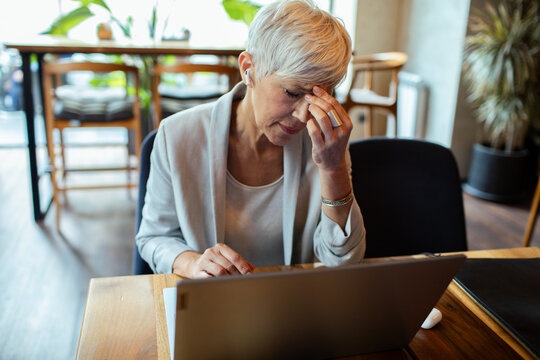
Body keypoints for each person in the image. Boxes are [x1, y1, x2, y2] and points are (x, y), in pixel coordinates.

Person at [136, 0, 366, 278]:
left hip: (292, 305)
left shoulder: (324, 143)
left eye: (320, 97)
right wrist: (193, 263)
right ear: (249, 68)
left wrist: (334, 169)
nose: (305, 116)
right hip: (212, 302)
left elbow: (343, 261)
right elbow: (153, 238)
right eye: (292, 93)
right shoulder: (177, 136)